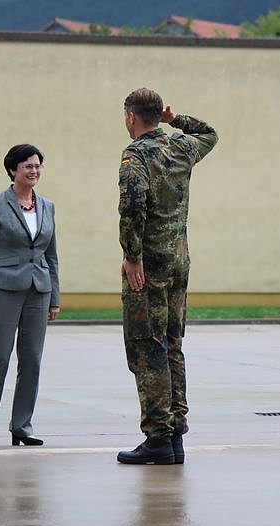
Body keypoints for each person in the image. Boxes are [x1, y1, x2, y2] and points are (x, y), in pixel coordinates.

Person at [116, 88, 218, 465]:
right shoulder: (181, 147)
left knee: (147, 348)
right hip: (179, 262)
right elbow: (209, 133)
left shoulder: (136, 155)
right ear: (159, 115)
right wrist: (176, 120)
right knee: (173, 344)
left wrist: (132, 257)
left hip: (149, 268)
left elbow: (132, 205)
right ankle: (176, 434)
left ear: (131, 117)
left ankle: (158, 436)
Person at [0, 144, 60, 447]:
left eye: (37, 166)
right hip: (4, 290)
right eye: (28, 166)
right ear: (12, 170)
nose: (34, 171)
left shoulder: (47, 206)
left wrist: (54, 295)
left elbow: (52, 255)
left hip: (39, 290)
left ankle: (22, 426)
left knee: (31, 359)